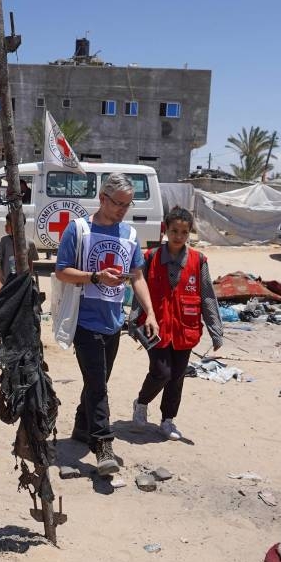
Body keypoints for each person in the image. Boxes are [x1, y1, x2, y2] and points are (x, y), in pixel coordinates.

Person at [55, 173, 158, 476]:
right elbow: (62, 272)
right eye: (118, 204)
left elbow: (137, 276)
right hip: (85, 323)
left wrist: (149, 312)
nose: (123, 210)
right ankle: (103, 446)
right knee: (98, 385)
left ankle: (80, 426)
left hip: (114, 323)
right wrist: (96, 277)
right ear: (102, 198)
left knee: (97, 381)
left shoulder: (129, 234)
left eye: (127, 205)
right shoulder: (79, 229)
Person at [131, 207, 223, 441]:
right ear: (166, 230)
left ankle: (168, 420)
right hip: (155, 327)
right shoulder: (150, 257)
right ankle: (141, 403)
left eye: (184, 232)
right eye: (174, 231)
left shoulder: (198, 260)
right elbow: (140, 289)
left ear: (189, 233)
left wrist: (216, 331)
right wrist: (134, 321)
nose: (178, 236)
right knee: (161, 372)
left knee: (177, 376)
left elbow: (207, 296)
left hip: (185, 328)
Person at [0, 218, 39, 293]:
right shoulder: (3, 241)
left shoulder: (30, 243)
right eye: (6, 223)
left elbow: (30, 263)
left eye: (8, 224)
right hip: (5, 285)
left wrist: (29, 280)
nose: (5, 226)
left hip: (22, 286)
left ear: (18, 226)